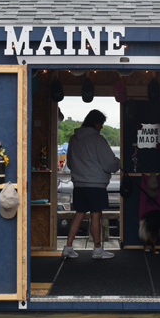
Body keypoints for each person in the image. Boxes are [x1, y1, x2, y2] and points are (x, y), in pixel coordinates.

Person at [62, 109, 120, 259]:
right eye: (101, 124)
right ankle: (97, 249)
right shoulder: (98, 140)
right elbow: (109, 164)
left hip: (79, 184)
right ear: (96, 123)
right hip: (96, 185)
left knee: (79, 214)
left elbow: (70, 162)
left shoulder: (74, 139)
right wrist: (117, 163)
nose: (101, 127)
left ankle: (68, 247)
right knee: (96, 215)